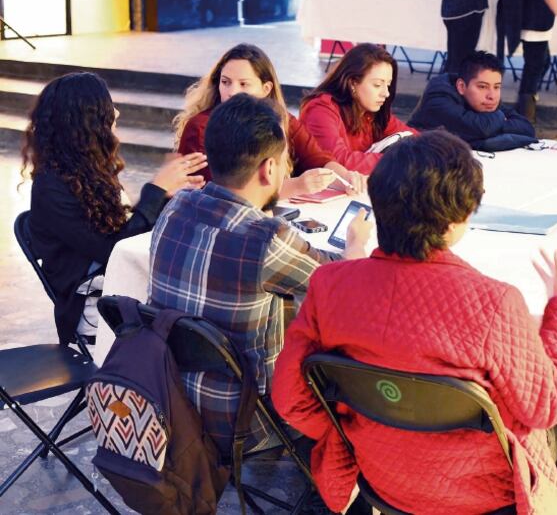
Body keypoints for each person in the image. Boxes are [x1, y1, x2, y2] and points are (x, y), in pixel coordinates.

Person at [273, 130, 557, 514]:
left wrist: (347, 431)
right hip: (485, 497)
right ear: (456, 222)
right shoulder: (495, 302)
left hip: (380, 479)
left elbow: (290, 398)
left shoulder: (329, 286)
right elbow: (546, 407)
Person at [151, 94, 371, 453]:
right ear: (269, 169)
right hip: (246, 419)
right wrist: (355, 243)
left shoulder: (175, 206)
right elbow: (347, 282)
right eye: (286, 163)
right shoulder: (266, 239)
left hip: (169, 400)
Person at [21, 72, 205, 346]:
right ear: (85, 122)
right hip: (94, 308)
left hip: (119, 289)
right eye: (107, 107)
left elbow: (122, 230)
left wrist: (166, 195)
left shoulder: (88, 171)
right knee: (194, 313)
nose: (116, 112)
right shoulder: (51, 188)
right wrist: (155, 191)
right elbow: (113, 250)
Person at [175, 43, 364, 197]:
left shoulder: (281, 120)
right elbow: (218, 195)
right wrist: (295, 186)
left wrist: (346, 178)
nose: (232, 91)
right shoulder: (201, 127)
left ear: (266, 89)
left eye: (243, 84)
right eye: (225, 82)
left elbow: (317, 158)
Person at [299, 43, 414, 175]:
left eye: (388, 85)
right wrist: (399, 160)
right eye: (377, 85)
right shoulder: (320, 111)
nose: (386, 93)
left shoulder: (372, 112)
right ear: (352, 83)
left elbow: (416, 139)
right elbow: (338, 162)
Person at [408, 51, 537, 151]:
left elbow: (527, 128)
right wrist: (498, 120)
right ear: (461, 87)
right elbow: (482, 128)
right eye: (482, 86)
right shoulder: (438, 98)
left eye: (497, 87)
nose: (492, 96)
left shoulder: (484, 101)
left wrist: (489, 129)